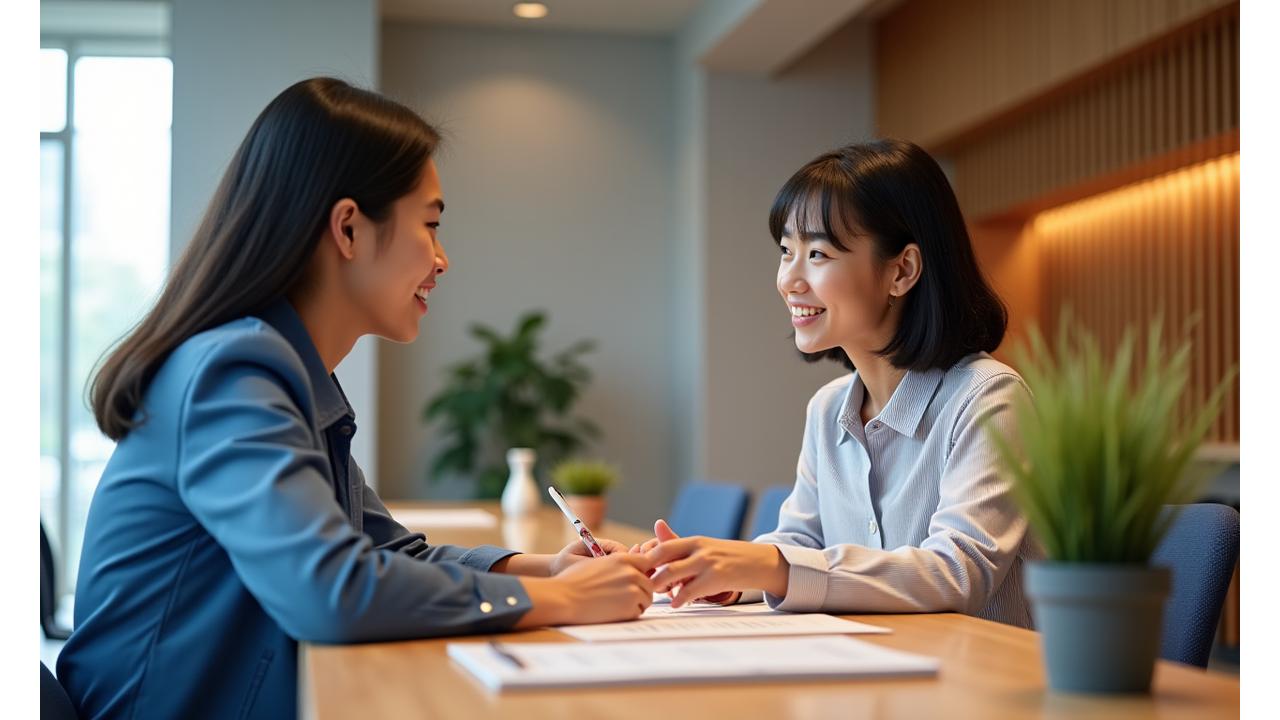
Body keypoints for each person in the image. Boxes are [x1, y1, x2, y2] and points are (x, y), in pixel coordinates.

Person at [56, 77, 654, 719]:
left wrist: (544, 571)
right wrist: (565, 603)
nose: (443, 259)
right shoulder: (233, 372)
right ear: (348, 228)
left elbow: (388, 554)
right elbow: (329, 591)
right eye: (430, 225)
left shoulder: (282, 371)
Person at [637, 139, 1035, 628]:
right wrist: (715, 574)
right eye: (787, 251)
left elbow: (958, 572)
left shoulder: (988, 398)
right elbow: (799, 545)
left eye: (818, 254)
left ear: (902, 270)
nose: (789, 279)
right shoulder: (828, 409)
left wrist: (771, 567)